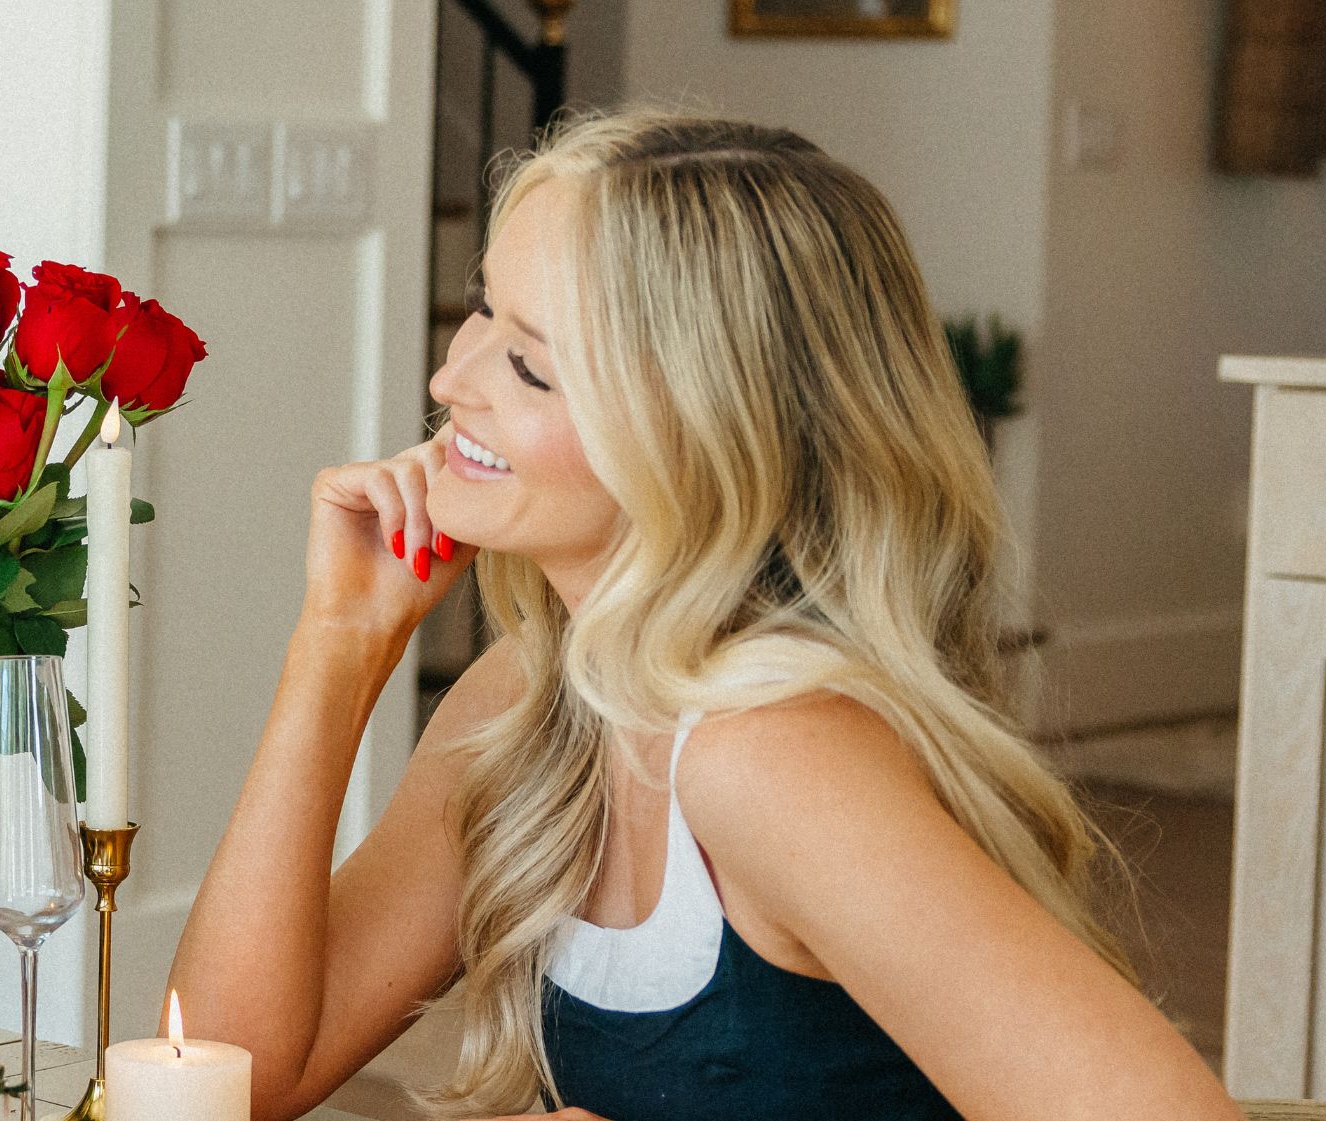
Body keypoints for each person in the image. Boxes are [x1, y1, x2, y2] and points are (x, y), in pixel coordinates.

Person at [169, 111, 1243, 1121]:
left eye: (529, 365)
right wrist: (339, 642)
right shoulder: (534, 702)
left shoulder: (769, 758)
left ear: (701, 433)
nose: (451, 376)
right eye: (482, 308)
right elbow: (229, 1073)